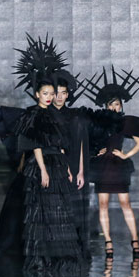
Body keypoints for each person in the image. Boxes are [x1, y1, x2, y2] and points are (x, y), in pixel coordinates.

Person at [15, 79, 85, 277]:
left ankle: (58, 259)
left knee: (58, 211)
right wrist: (43, 170)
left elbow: (60, 144)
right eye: (45, 93)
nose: (49, 97)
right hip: (43, 164)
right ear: (37, 94)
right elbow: (35, 144)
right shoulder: (34, 114)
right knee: (42, 211)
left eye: (51, 94)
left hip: (58, 163)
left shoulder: (52, 114)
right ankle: (42, 260)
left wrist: (68, 168)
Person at [83, 66, 139, 260]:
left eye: (117, 104)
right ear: (106, 106)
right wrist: (96, 151)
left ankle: (135, 240)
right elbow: (88, 140)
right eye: (111, 105)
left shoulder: (125, 122)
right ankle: (108, 242)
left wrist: (126, 155)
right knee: (103, 204)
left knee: (125, 203)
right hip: (102, 166)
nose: (114, 108)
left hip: (117, 166)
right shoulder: (98, 122)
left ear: (121, 105)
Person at [50, 70, 91, 260]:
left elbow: (82, 144)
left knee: (74, 207)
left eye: (63, 93)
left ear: (68, 95)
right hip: (54, 165)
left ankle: (74, 249)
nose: (59, 97)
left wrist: (81, 171)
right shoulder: (47, 115)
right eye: (56, 93)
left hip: (73, 165)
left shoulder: (75, 117)